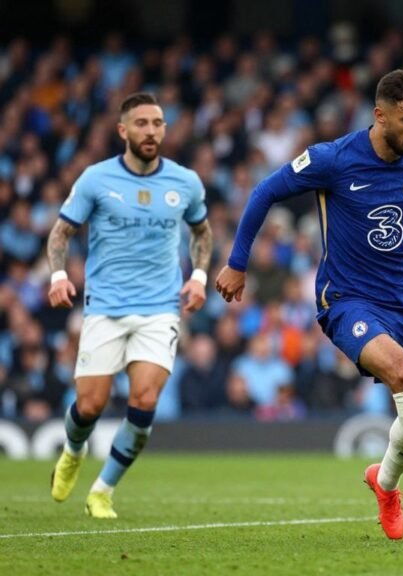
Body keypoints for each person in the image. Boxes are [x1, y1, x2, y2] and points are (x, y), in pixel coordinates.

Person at [215, 70, 403, 541]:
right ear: (380, 115)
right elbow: (264, 191)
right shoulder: (333, 159)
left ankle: (385, 482)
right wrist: (237, 263)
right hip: (347, 298)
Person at [47, 92, 212, 518]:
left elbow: (202, 233)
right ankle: (72, 450)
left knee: (144, 400)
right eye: (141, 123)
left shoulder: (185, 182)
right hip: (105, 307)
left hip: (160, 309)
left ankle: (102, 490)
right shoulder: (95, 180)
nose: (151, 131)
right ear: (123, 130)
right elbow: (61, 233)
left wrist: (197, 276)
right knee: (89, 406)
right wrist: (59, 274)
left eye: (158, 123)